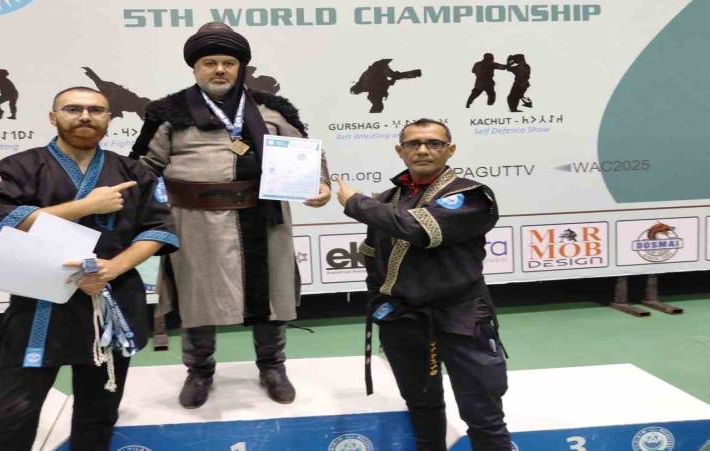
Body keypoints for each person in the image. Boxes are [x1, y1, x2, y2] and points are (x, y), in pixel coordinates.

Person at [129, 22, 330, 409]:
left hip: (264, 218)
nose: (219, 70)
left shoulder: (273, 110)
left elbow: (307, 154)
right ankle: (199, 370)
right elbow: (144, 167)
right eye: (210, 63)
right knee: (197, 297)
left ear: (240, 67)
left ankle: (272, 366)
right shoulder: (168, 113)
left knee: (270, 295)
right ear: (195, 67)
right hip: (195, 222)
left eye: (228, 62)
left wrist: (319, 185)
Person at [0, 86, 178, 450]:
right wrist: (86, 206)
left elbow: (158, 230)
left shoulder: (132, 171)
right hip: (39, 306)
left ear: (109, 119)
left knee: (98, 414)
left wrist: (113, 268)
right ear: (53, 117)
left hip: (108, 301)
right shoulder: (18, 168)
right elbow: (5, 223)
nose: (85, 116)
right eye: (73, 109)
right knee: (13, 416)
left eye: (96, 110)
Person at [333, 118, 512, 451]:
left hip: (461, 318)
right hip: (404, 321)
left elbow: (419, 229)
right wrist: (380, 302)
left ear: (450, 150)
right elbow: (372, 257)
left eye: (434, 143)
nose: (423, 150)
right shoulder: (387, 199)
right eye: (413, 143)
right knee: (422, 408)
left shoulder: (470, 195)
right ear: (400, 151)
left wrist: (355, 202)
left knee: (484, 416)